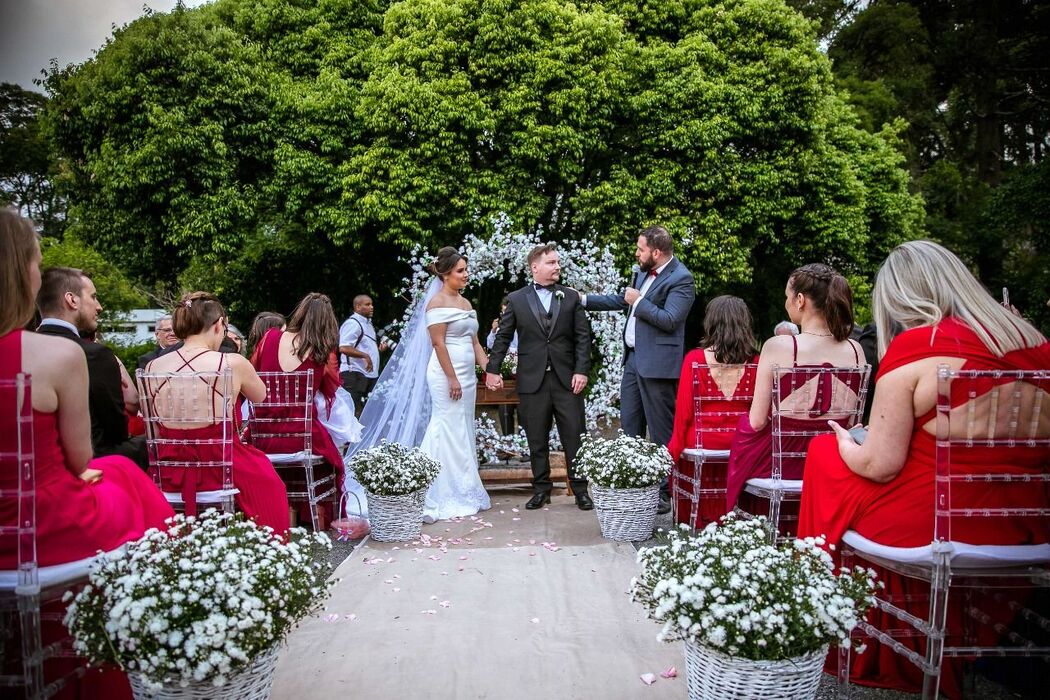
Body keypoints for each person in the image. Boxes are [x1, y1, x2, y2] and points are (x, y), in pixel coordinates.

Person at [797, 241, 1049, 696]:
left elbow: (879, 464)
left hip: (933, 522)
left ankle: (838, 621)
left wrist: (842, 442)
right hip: (1025, 522)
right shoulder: (1035, 344)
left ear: (900, 297)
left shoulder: (921, 346)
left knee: (823, 454)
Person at [1, 209, 174, 698]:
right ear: (19, 272)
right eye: (35, 262)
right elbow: (79, 460)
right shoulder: (54, 356)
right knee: (119, 471)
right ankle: (147, 625)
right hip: (38, 530)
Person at [724, 263, 866, 512]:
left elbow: (757, 421)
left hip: (781, 461)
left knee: (743, 430)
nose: (786, 302)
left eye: (787, 297)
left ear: (800, 300)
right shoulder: (856, 350)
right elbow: (854, 424)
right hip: (834, 458)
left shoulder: (778, 346)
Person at [144, 292, 289, 533]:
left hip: (170, 467)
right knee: (270, 484)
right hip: (223, 464)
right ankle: (267, 547)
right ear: (219, 324)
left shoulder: (152, 367)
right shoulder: (232, 363)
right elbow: (260, 397)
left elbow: (154, 423)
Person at [579, 226, 696, 513]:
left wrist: (640, 302)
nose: (637, 253)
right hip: (633, 360)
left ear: (656, 252)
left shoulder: (682, 279)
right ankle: (634, 487)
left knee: (660, 432)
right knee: (629, 426)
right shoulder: (643, 271)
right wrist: (580, 300)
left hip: (658, 366)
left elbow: (670, 320)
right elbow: (622, 300)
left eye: (640, 249)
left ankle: (664, 492)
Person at [486, 244, 593, 510]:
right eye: (552, 262)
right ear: (535, 267)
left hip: (567, 380)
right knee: (536, 438)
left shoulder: (570, 297)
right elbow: (504, 336)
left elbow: (583, 338)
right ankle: (541, 489)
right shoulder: (517, 299)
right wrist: (492, 369)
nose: (557, 267)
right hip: (532, 380)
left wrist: (581, 370)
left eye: (558, 263)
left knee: (574, 436)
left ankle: (580, 489)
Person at [249, 293, 363, 523]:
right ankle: (313, 516)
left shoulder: (269, 338)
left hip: (262, 436)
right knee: (333, 461)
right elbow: (331, 390)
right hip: (301, 437)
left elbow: (251, 373)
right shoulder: (321, 352)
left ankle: (283, 508)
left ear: (300, 313)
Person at [35, 266, 149, 470]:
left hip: (33, 464)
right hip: (91, 465)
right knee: (154, 445)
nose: (99, 306)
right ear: (72, 300)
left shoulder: (23, 348)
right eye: (94, 297)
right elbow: (117, 432)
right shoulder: (94, 355)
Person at [412, 248, 493, 522]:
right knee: (444, 426)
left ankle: (464, 488)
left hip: (467, 376)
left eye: (466, 270)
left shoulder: (467, 304)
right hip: (445, 374)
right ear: (445, 274)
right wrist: (452, 377)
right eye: (460, 271)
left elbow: (475, 342)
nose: (466, 274)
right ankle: (432, 491)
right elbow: (438, 343)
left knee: (463, 428)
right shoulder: (436, 303)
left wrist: (488, 370)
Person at [666, 296, 759, 527]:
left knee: (682, 449)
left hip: (702, 442)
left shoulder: (694, 360)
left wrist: (672, 452)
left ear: (712, 323)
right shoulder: (757, 362)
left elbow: (684, 415)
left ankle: (699, 516)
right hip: (741, 443)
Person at [339, 294, 387, 413]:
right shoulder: (353, 323)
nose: (371, 307)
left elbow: (365, 347)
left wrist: (378, 350)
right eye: (367, 304)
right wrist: (365, 356)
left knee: (368, 411)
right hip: (354, 374)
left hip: (368, 374)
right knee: (350, 411)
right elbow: (344, 347)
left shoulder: (368, 324)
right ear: (357, 307)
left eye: (371, 304)